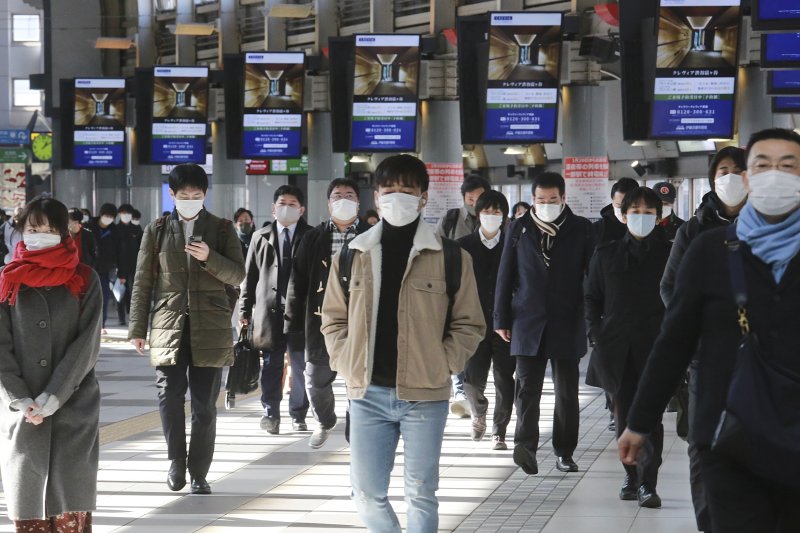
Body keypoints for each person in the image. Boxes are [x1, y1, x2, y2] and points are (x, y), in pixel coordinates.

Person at [618, 128, 800, 531]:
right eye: (763, 165)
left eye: (788, 166)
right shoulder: (710, 250)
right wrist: (640, 420)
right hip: (725, 431)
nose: (775, 174)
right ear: (749, 178)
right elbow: (674, 340)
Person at [321, 154, 485, 533]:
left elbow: (470, 322)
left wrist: (443, 362)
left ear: (423, 198)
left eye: (406, 191)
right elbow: (332, 318)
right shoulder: (352, 254)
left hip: (425, 395)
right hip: (367, 395)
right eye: (389, 190)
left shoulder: (451, 256)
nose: (398, 198)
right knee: (365, 493)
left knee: (421, 492)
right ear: (375, 198)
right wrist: (346, 362)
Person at [128, 163, 245, 495]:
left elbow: (238, 275)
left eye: (196, 195)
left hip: (210, 327)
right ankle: (176, 461)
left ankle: (199, 472)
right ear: (172, 195)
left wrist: (210, 258)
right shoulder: (158, 229)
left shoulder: (222, 229)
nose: (190, 200)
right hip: (169, 325)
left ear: (205, 194)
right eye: (184, 195)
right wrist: (138, 327)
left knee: (205, 405)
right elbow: (143, 282)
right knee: (169, 396)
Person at [658, 146, 746, 533]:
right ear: (711, 179)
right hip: (706, 357)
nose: (730, 178)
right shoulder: (691, 231)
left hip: (762, 361)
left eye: (738, 170)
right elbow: (670, 288)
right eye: (722, 171)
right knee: (703, 446)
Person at [0, 196, 102, 532]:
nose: (39, 234)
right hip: (22, 409)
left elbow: (86, 345)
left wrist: (54, 396)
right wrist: (21, 398)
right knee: (29, 502)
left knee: (70, 501)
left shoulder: (85, 279)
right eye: (32, 228)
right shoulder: (6, 280)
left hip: (74, 403)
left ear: (64, 233)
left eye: (48, 229)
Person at [494, 172, 594, 475]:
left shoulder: (582, 229)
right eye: (541, 200)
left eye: (552, 200)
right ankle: (525, 446)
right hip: (527, 319)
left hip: (568, 318)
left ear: (563, 198)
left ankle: (565, 451)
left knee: (566, 392)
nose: (546, 204)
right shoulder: (520, 227)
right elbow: (505, 273)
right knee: (526, 388)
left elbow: (592, 277)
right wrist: (501, 317)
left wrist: (592, 317)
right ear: (533, 199)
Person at [585, 186, 671, 508]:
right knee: (622, 416)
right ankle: (630, 475)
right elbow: (591, 297)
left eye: (649, 213)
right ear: (623, 215)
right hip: (616, 350)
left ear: (659, 218)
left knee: (652, 416)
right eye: (635, 212)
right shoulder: (605, 254)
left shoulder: (668, 255)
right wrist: (596, 334)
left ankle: (649, 483)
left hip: (656, 348)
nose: (641, 218)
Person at [286, 178, 369, 448]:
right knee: (315, 379)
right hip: (321, 321)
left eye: (349, 194)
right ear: (328, 202)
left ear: (359, 201)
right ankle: (325, 419)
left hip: (362, 322)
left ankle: (355, 430)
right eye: (337, 195)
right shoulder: (312, 237)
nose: (343, 199)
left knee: (359, 379)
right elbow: (297, 282)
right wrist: (293, 325)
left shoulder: (372, 236)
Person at [240, 185, 311, 435]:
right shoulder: (260, 237)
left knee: (300, 365)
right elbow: (249, 277)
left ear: (301, 209)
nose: (286, 208)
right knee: (271, 366)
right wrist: (244, 310)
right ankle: (271, 413)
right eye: (282, 203)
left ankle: (299, 412)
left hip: (300, 313)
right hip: (269, 313)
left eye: (292, 204)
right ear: (273, 208)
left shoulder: (311, 236)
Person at [458, 190, 516, 450]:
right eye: (486, 211)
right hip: (473, 323)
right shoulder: (463, 246)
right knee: (472, 379)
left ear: (504, 216)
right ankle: (479, 411)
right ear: (477, 214)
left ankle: (499, 430)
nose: (491, 216)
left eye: (497, 212)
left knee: (505, 378)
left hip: (506, 323)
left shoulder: (513, 245)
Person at [436, 174, 490, 418]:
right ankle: (460, 391)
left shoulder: (496, 218)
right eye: (470, 198)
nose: (474, 203)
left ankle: (471, 392)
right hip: (455, 290)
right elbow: (436, 250)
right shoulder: (451, 219)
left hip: (487, 292)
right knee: (456, 335)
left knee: (478, 344)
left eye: (479, 198)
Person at [86, 203, 119, 331]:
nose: (108, 218)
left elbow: (118, 251)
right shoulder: (89, 227)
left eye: (111, 216)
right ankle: (88, 324)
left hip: (105, 269)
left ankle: (102, 324)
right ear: (100, 214)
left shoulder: (114, 231)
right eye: (106, 215)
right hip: (89, 269)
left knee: (104, 297)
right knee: (88, 298)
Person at [116, 203, 142, 326]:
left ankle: (132, 316)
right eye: (123, 213)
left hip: (134, 266)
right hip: (120, 267)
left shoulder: (136, 229)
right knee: (120, 293)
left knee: (133, 293)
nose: (125, 215)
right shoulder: (115, 229)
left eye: (128, 213)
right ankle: (121, 317)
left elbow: (141, 246)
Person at [593, 177, 639, 245]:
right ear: (612, 201)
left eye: (628, 206)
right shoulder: (598, 229)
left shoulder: (646, 225)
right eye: (619, 205)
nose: (623, 210)